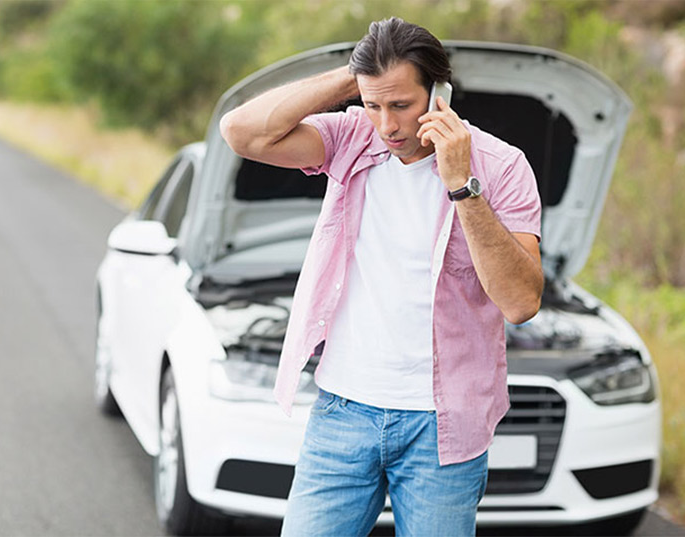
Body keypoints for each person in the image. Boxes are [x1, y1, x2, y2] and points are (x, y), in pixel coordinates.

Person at [220, 17, 544, 537]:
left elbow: (521, 302)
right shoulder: (352, 137)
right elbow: (241, 132)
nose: (387, 126)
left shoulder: (502, 166)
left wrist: (462, 184)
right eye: (374, 105)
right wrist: (355, 79)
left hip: (444, 427)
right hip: (343, 412)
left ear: (439, 93)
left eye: (401, 105)